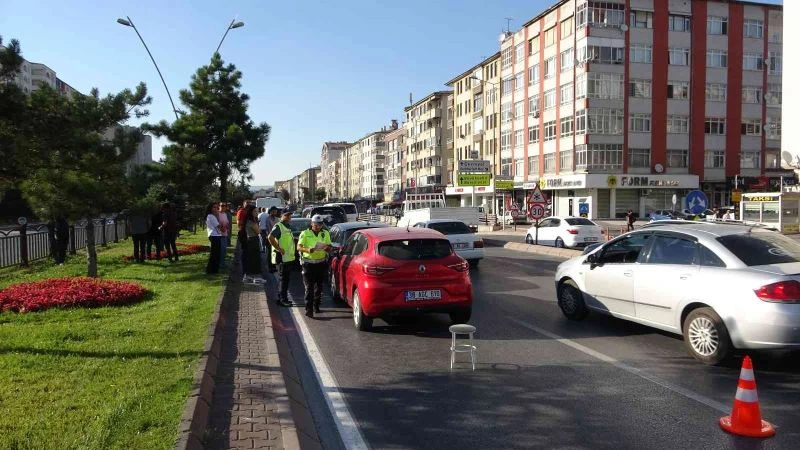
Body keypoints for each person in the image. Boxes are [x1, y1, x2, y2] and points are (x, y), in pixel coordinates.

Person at [297, 215, 332, 318]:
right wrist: (308, 250)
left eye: (320, 224)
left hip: (321, 264)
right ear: (311, 223)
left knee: (319, 287)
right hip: (308, 264)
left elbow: (329, 246)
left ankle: (316, 305)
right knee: (309, 288)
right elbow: (299, 247)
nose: (318, 226)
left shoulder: (325, 233)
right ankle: (309, 310)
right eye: (316, 224)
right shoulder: (305, 233)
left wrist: (327, 248)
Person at [268, 210, 295, 307]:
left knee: (285, 280)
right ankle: (282, 300)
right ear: (281, 216)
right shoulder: (279, 226)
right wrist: (278, 248)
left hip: (287, 258)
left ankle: (282, 298)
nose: (288, 217)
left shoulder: (287, 226)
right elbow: (270, 237)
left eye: (290, 215)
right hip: (281, 258)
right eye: (286, 215)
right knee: (283, 280)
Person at [243, 204, 264, 282]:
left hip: (251, 239)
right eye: (255, 211)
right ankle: (256, 277)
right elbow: (258, 231)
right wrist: (257, 225)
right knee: (255, 259)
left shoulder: (250, 220)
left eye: (257, 211)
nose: (257, 213)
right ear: (251, 212)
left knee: (251, 258)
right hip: (253, 240)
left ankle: (248, 276)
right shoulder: (251, 221)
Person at [205, 203, 222, 274]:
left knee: (216, 253)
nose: (216, 209)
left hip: (216, 235)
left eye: (217, 208)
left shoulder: (213, 216)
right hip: (214, 236)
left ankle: (215, 270)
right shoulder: (211, 216)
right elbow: (218, 226)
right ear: (210, 208)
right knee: (214, 254)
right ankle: (210, 270)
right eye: (214, 207)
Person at [218, 202, 230, 269]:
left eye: (225, 206)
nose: (223, 207)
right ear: (219, 206)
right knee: (221, 250)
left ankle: (223, 263)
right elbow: (217, 224)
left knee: (224, 250)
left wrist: (227, 227)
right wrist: (222, 228)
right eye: (222, 205)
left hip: (225, 234)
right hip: (219, 235)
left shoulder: (225, 214)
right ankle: (221, 264)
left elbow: (227, 223)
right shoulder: (217, 214)